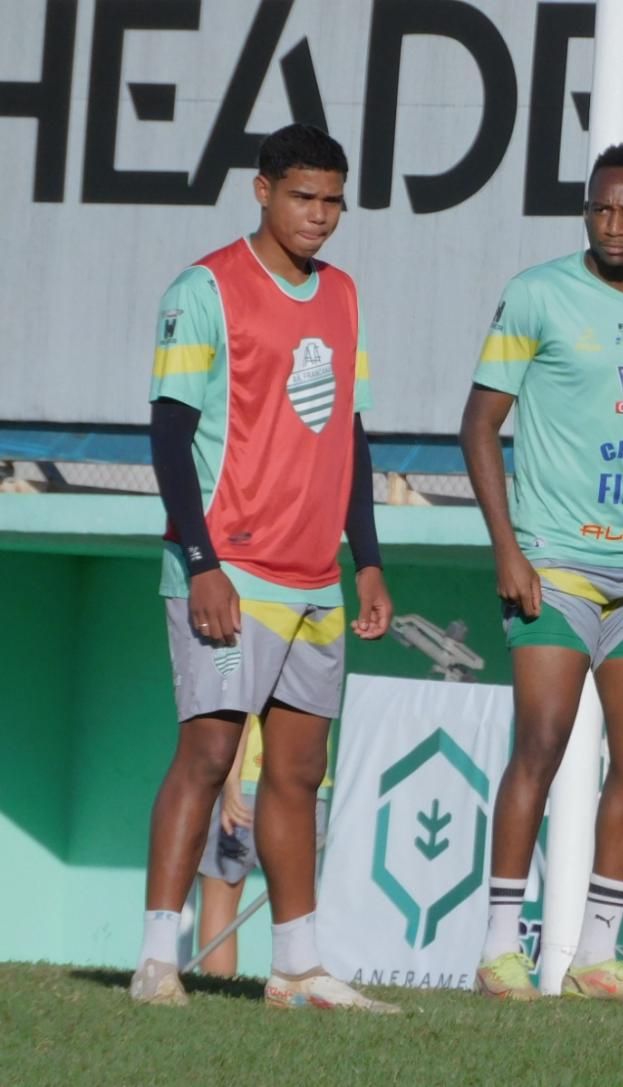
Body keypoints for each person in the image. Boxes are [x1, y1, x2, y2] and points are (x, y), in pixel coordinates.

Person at [131, 124, 395, 1012]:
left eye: (333, 202)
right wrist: (199, 559)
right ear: (262, 190)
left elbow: (350, 434)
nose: (319, 217)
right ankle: (157, 960)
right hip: (232, 569)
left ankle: (297, 966)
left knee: (297, 772)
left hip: (317, 575)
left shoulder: (347, 295)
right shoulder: (204, 289)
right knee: (209, 753)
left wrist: (366, 557)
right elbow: (168, 434)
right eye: (303, 198)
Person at [460, 142, 623, 1003]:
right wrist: (508, 546)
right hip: (556, 564)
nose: (613, 225)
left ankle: (597, 956)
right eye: (600, 209)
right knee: (540, 741)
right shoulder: (536, 294)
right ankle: (503, 949)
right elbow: (479, 425)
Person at [195, 716, 332, 977]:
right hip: (307, 791)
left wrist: (231, 779)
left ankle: (217, 990)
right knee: (300, 910)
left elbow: (241, 706)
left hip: (248, 782)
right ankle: (296, 987)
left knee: (220, 900)